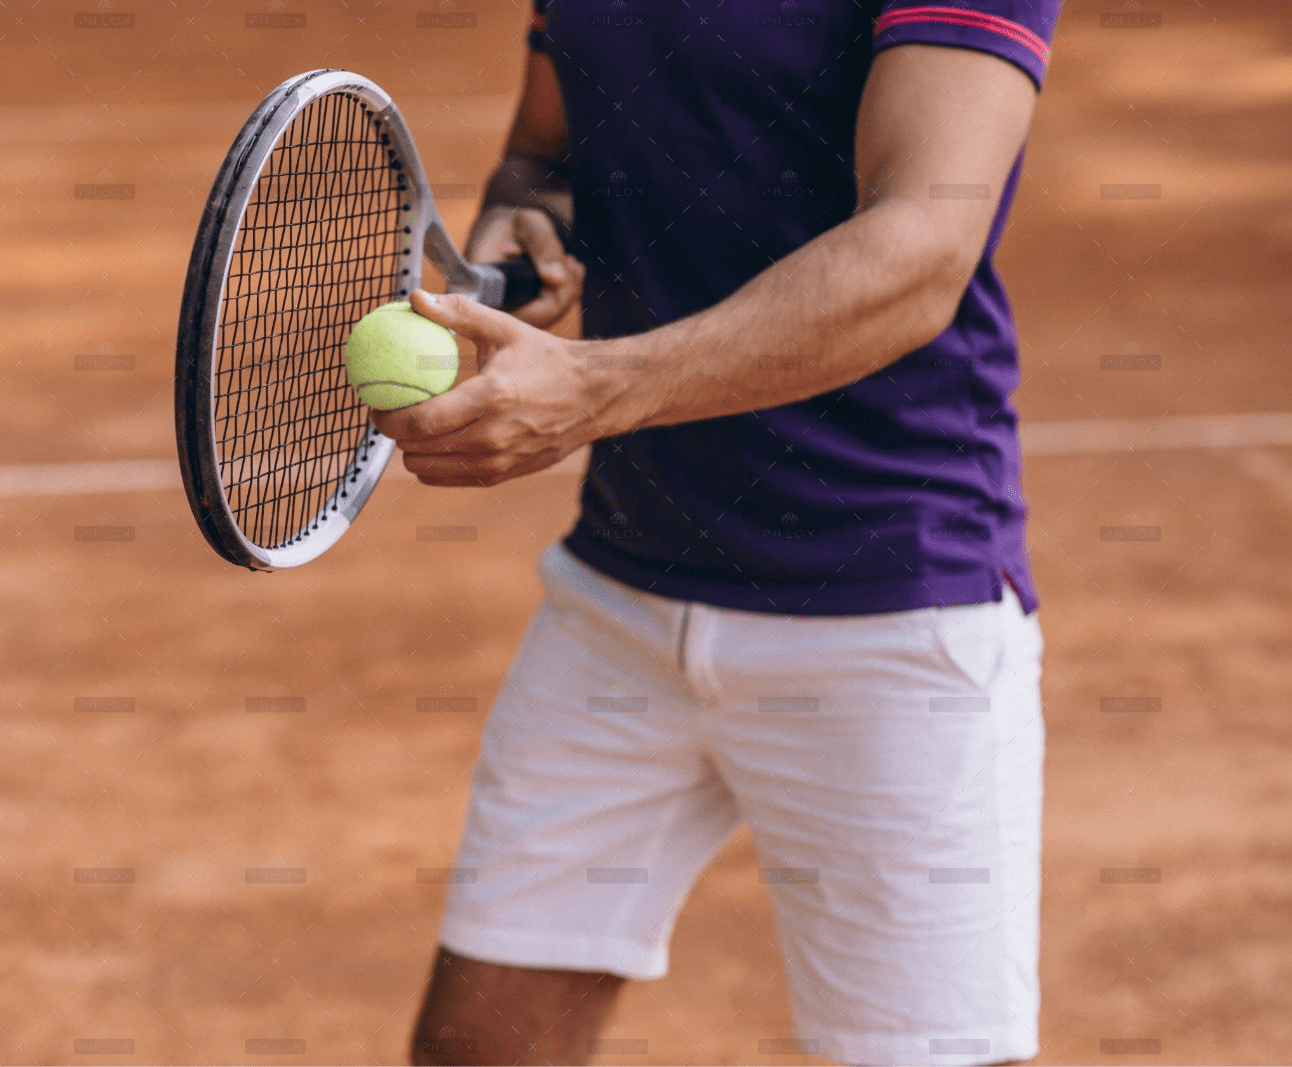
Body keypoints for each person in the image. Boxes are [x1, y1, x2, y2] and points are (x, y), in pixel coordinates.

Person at [373, 3, 1061, 1064]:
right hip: (620, 591)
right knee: (479, 1046)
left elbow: (921, 245)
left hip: (883, 602)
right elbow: (544, 146)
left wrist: (597, 387)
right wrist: (528, 215)